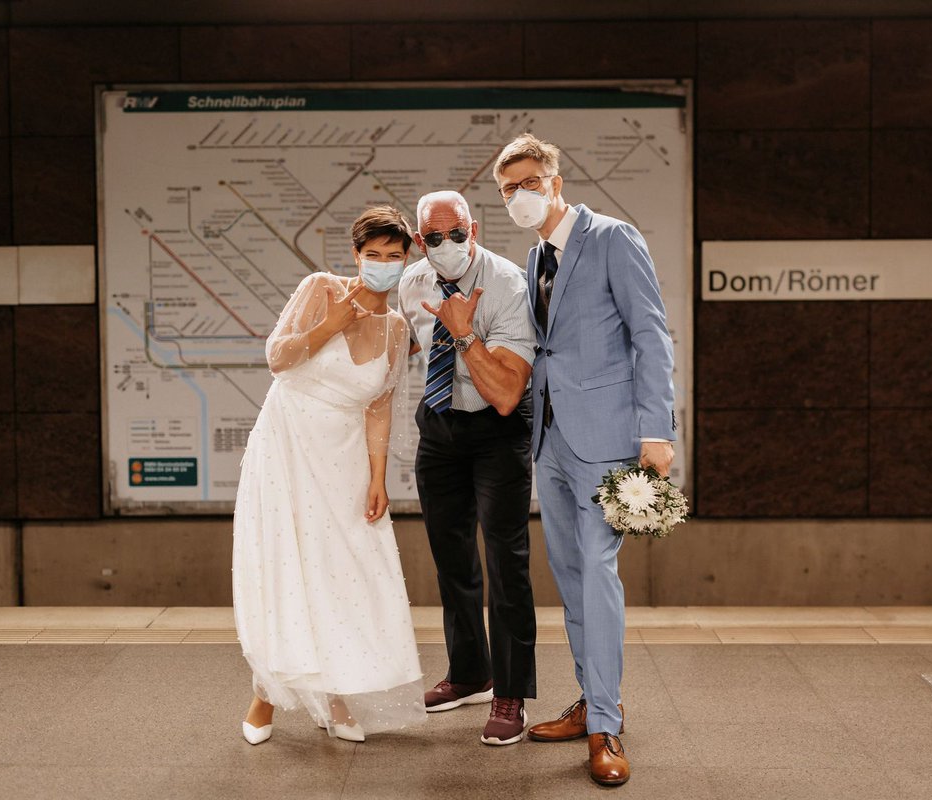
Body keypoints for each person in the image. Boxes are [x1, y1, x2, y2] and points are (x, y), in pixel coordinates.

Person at [493, 134, 676, 786]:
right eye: (507, 189)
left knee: (597, 575)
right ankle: (593, 698)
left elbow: (650, 333)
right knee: (570, 578)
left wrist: (657, 429)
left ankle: (605, 726)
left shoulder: (611, 238)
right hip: (551, 442)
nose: (519, 196)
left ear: (555, 179)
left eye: (528, 182)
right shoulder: (535, 254)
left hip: (606, 436)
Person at [232, 205, 425, 745]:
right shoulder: (321, 289)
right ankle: (265, 698)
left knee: (346, 571)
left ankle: (336, 695)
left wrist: (378, 477)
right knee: (289, 566)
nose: (383, 265)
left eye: (393, 256)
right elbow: (277, 357)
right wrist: (330, 325)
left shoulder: (396, 328)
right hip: (287, 447)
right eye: (373, 256)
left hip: (344, 459)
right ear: (356, 257)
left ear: (406, 260)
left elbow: (379, 407)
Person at [397, 190, 538, 746]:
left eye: (457, 233)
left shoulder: (505, 284)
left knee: (506, 562)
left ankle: (510, 693)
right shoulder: (412, 283)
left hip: (495, 432)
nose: (448, 245)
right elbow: (399, 346)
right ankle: (469, 673)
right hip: (438, 429)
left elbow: (506, 393)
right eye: (434, 238)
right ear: (419, 241)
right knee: (452, 560)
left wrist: (463, 332)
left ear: (473, 228)